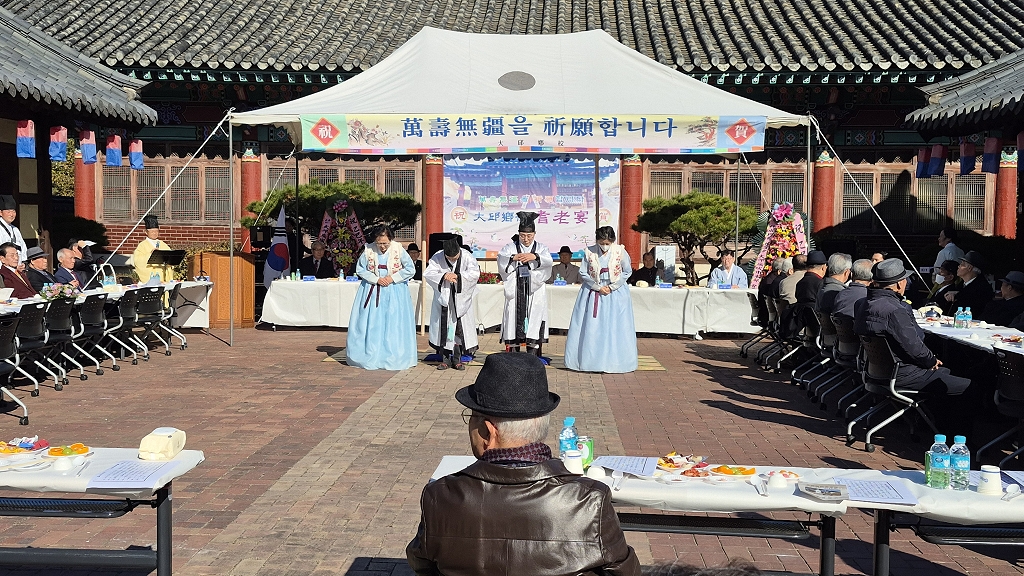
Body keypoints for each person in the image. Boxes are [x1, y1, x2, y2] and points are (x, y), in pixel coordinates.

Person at [406, 352, 641, 576]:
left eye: (471, 417)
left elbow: (423, 566)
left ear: (488, 432)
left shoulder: (439, 496)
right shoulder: (590, 500)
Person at [853, 258, 971, 431]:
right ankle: (954, 434)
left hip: (874, 369)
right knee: (967, 386)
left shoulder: (861, 304)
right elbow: (915, 346)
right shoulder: (895, 310)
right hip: (901, 373)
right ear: (899, 283)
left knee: (945, 372)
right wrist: (931, 360)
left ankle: (925, 421)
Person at [564, 227, 637, 373]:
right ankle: (590, 361)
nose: (604, 246)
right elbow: (583, 272)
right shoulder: (589, 252)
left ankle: (616, 362)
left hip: (615, 292)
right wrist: (597, 287)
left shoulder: (620, 251)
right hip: (593, 291)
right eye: (602, 243)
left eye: (607, 243)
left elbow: (627, 271)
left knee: (616, 326)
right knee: (592, 327)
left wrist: (612, 286)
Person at [346, 226, 418, 370]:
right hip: (373, 290)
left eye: (385, 243)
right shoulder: (368, 250)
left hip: (394, 291)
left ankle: (393, 355)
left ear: (390, 240)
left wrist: (392, 278)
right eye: (379, 243)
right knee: (371, 322)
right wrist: (375, 279)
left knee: (393, 323)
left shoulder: (398, 249)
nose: (383, 247)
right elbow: (360, 269)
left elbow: (410, 269)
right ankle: (370, 354)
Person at [498, 212, 553, 357]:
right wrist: (513, 257)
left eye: (529, 236)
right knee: (513, 320)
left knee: (534, 319)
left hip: (534, 290)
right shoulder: (510, 248)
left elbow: (548, 262)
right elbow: (501, 260)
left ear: (534, 234)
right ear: (518, 234)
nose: (526, 239)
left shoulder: (541, 248)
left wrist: (535, 257)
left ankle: (532, 357)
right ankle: (514, 357)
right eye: (522, 235)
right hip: (515, 289)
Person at [424, 238, 480, 370]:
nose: (453, 260)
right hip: (444, 299)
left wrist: (458, 277)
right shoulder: (437, 257)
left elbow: (474, 273)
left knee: (459, 330)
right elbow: (429, 273)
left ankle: (457, 359)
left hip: (461, 300)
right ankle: (445, 359)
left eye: (455, 257)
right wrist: (443, 276)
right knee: (443, 328)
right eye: (449, 258)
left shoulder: (467, 256)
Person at [943, 251, 992, 317]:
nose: (958, 266)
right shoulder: (961, 284)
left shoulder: (982, 287)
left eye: (962, 264)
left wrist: (957, 295)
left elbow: (971, 303)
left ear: (969, 268)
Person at [132, 215, 174, 283]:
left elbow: (170, 257)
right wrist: (150, 254)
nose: (154, 233)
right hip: (150, 277)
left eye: (156, 231)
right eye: (152, 232)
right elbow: (137, 261)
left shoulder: (163, 244)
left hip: (162, 276)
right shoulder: (142, 245)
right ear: (146, 232)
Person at [0, 195, 27, 264]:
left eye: (13, 211)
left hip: (18, 266)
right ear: (1, 213)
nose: (11, 214)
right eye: (8, 212)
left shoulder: (15, 229)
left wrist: (23, 263)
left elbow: (23, 248)